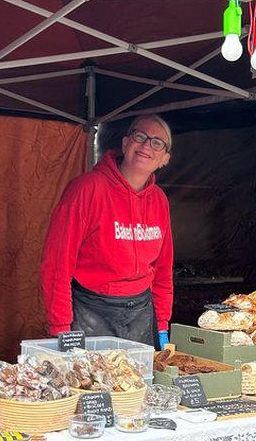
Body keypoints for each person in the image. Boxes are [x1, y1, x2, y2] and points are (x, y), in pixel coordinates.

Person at [39, 114, 175, 348]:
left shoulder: (159, 201)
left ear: (164, 159)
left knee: (137, 383)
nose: (146, 145)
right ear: (125, 143)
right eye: (139, 136)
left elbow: (163, 269)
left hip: (141, 313)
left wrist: (162, 323)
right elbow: (57, 264)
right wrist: (61, 326)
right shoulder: (86, 189)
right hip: (90, 310)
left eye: (157, 142)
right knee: (92, 384)